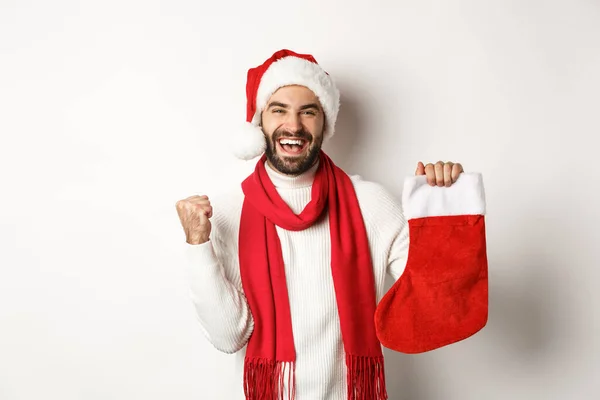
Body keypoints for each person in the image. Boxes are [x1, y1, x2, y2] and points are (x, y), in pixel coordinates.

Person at [175, 49, 487, 400]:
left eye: (308, 112)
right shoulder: (227, 212)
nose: (293, 125)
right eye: (279, 110)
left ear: (326, 123)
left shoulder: (370, 203)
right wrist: (198, 245)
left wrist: (443, 212)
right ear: (259, 122)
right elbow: (226, 336)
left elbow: (438, 303)